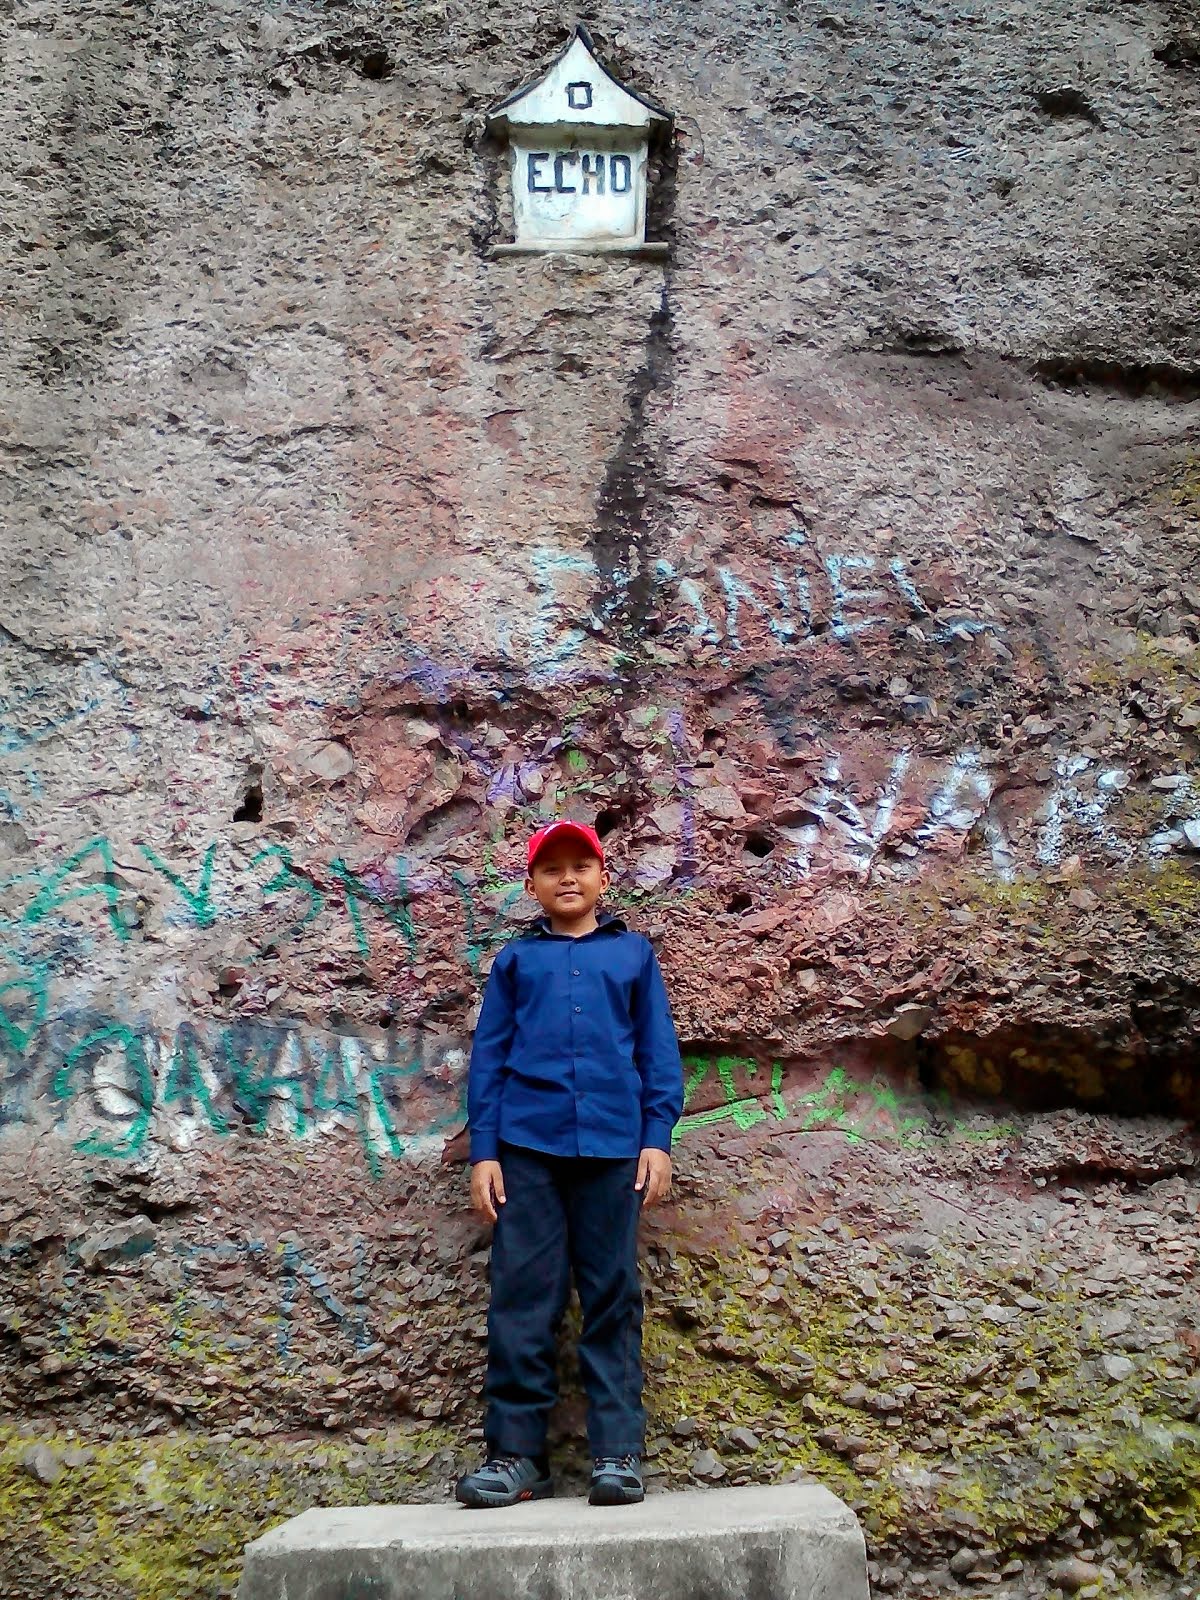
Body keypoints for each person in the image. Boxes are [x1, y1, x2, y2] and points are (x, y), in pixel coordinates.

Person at [455, 819, 684, 1509]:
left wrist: (657, 1137)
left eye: (580, 864)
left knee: (613, 1295)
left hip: (615, 1150)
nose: (567, 877)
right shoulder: (515, 964)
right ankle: (517, 1457)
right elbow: (489, 1060)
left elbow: (657, 1052)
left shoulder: (634, 957)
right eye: (550, 868)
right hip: (528, 1150)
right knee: (523, 1297)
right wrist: (485, 1153)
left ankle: (618, 1451)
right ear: (531, 886)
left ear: (603, 878)